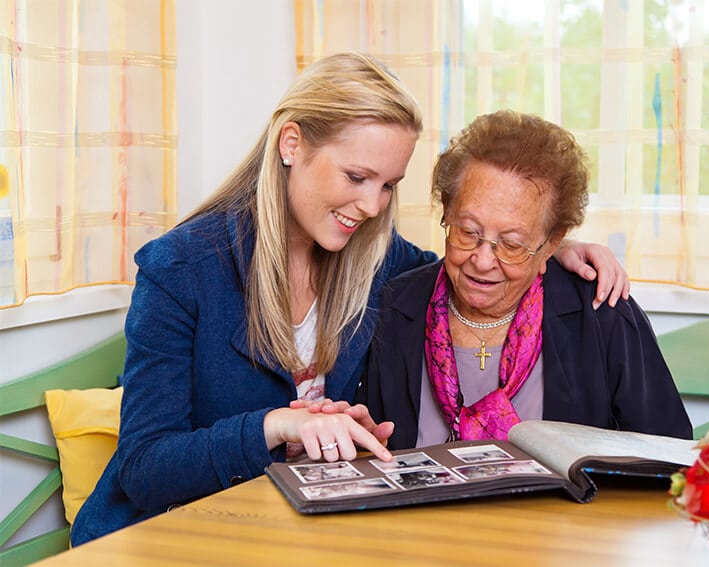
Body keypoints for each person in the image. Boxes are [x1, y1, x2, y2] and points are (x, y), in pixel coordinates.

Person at [71, 54, 628, 546]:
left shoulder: (381, 259)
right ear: (292, 144)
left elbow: (467, 268)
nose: (370, 205)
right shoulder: (181, 271)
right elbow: (143, 469)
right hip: (162, 538)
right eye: (357, 176)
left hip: (283, 533)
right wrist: (279, 427)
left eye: (388, 184)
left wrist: (543, 249)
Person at [356, 109, 692, 449]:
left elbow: (666, 455)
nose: (483, 260)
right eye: (468, 232)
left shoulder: (600, 312)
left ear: (552, 242)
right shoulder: (394, 309)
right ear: (446, 210)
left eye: (512, 245)